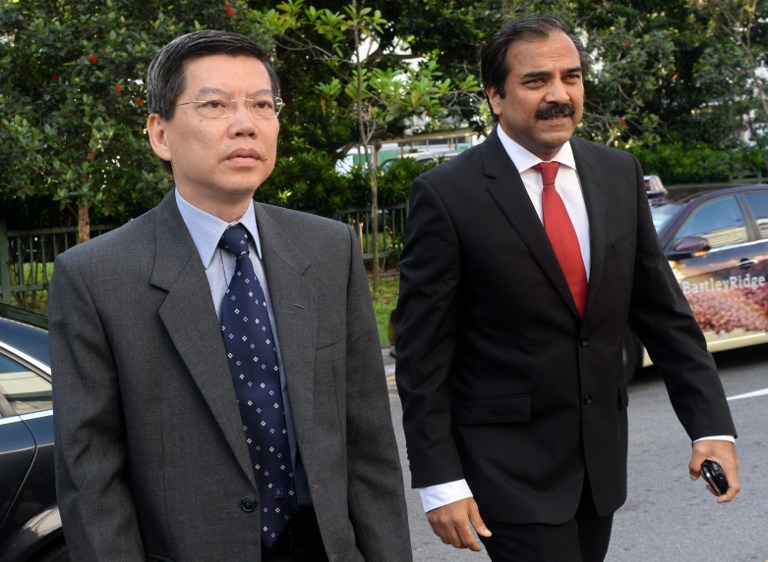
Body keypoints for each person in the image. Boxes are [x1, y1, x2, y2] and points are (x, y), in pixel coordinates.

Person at [49, 29, 412, 562]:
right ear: (160, 134)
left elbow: (369, 443)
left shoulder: (328, 248)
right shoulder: (96, 276)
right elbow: (92, 480)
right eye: (215, 104)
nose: (246, 124)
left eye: (262, 105)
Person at [395, 14, 740, 562]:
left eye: (571, 78)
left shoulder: (618, 173)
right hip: (506, 470)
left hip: (598, 464)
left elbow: (665, 317)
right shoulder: (447, 195)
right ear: (494, 96)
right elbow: (422, 355)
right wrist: (441, 481)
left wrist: (711, 427)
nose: (559, 95)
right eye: (536, 81)